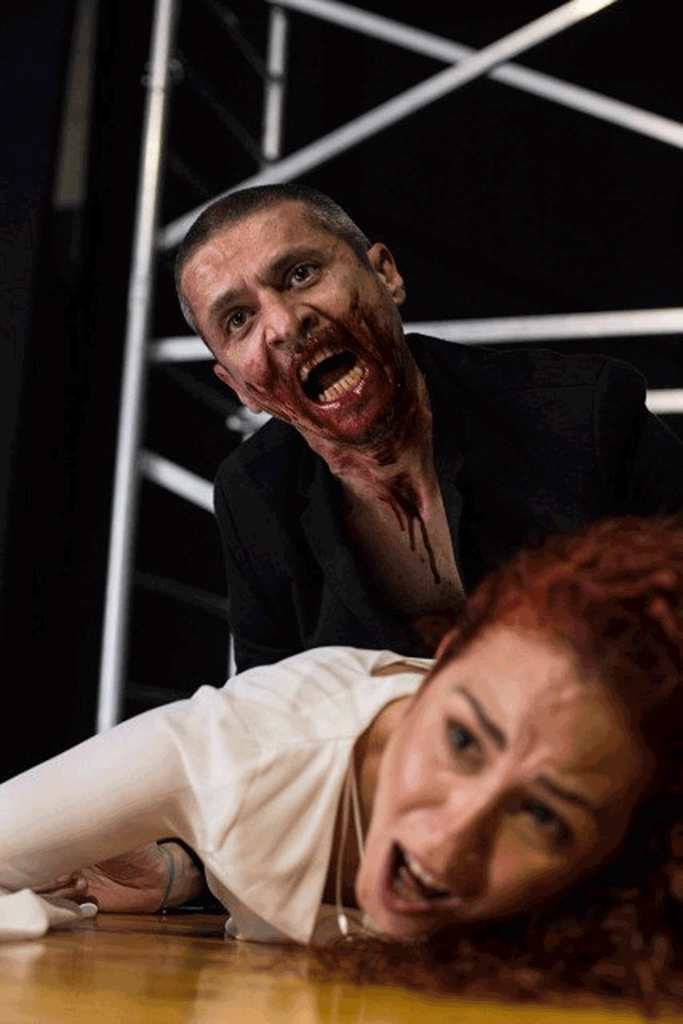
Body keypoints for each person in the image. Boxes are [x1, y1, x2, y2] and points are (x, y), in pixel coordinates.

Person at [3, 516, 683, 1012]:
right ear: (437, 669)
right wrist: (179, 871)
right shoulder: (232, 751)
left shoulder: (637, 876)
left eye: (541, 815)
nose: (448, 842)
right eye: (462, 741)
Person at [175, 183, 683, 672]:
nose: (284, 324)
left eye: (301, 273)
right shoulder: (253, 496)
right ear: (237, 386)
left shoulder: (582, 411)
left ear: (385, 274)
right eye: (238, 319)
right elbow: (270, 705)